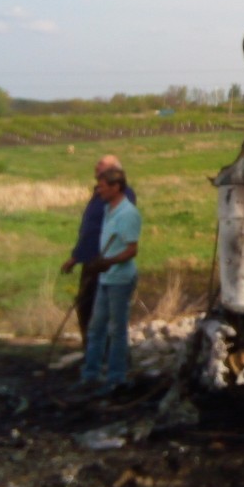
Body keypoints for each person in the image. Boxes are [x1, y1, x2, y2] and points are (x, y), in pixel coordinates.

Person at [79, 167, 141, 395]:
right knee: (96, 328)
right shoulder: (108, 209)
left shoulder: (129, 214)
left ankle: (116, 377)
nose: (99, 191)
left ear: (116, 187)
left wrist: (110, 261)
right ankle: (90, 374)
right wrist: (99, 262)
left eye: (102, 187)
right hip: (106, 278)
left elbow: (132, 250)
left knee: (117, 330)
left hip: (121, 280)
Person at [61, 155, 136, 344]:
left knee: (102, 310)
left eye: (101, 165)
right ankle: (92, 354)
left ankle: (107, 356)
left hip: (106, 262)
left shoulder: (122, 194)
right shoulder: (99, 194)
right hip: (90, 260)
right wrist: (75, 257)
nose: (96, 167)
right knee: (86, 307)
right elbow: (90, 229)